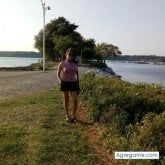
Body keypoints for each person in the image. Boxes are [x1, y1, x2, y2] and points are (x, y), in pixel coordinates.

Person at [57, 48, 79, 123]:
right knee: (66, 100)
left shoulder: (75, 64)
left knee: (75, 100)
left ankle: (74, 116)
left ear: (73, 56)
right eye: (69, 54)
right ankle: (67, 115)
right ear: (66, 55)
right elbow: (58, 73)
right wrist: (60, 80)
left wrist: (78, 84)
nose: (70, 56)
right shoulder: (62, 63)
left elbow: (77, 74)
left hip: (73, 83)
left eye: (72, 55)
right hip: (65, 83)